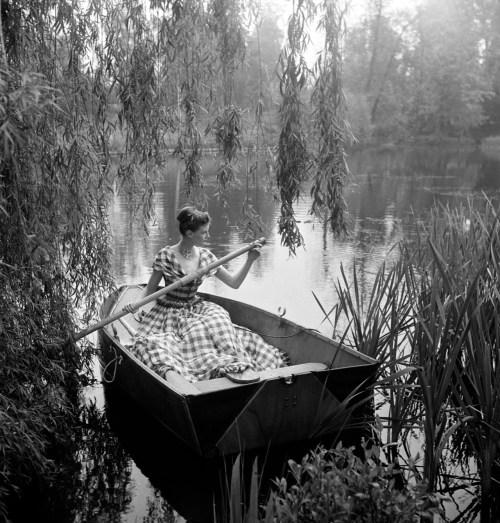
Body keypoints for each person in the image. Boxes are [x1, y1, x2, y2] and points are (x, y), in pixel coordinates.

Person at [124, 206, 288, 384]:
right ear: (189, 233)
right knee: (158, 343)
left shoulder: (206, 257)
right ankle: (187, 376)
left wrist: (250, 260)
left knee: (220, 318)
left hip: (196, 307)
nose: (207, 236)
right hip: (169, 312)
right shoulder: (166, 256)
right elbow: (149, 289)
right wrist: (135, 305)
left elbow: (234, 283)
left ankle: (231, 365)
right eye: (203, 233)